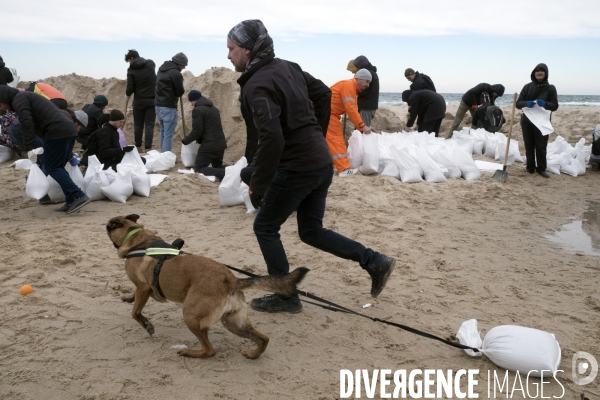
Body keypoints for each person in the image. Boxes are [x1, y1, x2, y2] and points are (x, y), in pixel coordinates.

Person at [227, 19, 396, 313]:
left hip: (298, 167)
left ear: (246, 49)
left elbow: (272, 138)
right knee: (310, 230)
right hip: (321, 160)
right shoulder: (288, 67)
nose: (228, 56)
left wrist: (258, 184)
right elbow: (321, 94)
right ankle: (375, 261)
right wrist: (315, 134)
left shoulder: (256, 84)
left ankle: (285, 296)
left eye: (231, 49)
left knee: (265, 226)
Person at [0, 86, 90, 213]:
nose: (2, 107)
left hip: (56, 131)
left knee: (52, 167)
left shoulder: (19, 99)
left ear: (4, 98)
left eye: (1, 103)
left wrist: (29, 148)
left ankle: (78, 195)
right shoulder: (25, 97)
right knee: (58, 166)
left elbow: (27, 122)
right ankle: (70, 201)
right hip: (67, 130)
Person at [240, 70, 331, 186]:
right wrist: (320, 133)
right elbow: (324, 93)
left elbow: (271, 139)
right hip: (322, 163)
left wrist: (257, 185)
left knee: (249, 173)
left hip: (295, 166)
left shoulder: (269, 107)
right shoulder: (291, 72)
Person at [516, 63, 559, 178]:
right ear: (534, 73)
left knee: (541, 145)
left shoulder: (550, 88)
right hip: (527, 121)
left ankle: (541, 169)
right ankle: (530, 167)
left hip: (542, 122)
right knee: (529, 145)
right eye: (537, 70)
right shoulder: (527, 87)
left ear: (545, 73)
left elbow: (555, 106)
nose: (539, 72)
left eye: (542, 71)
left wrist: (546, 104)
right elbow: (518, 103)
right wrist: (526, 103)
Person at [327, 69, 372, 177]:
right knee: (336, 140)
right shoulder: (349, 85)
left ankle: (332, 166)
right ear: (359, 79)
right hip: (328, 114)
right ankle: (343, 169)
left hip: (327, 113)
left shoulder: (351, 88)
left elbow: (352, 110)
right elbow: (351, 109)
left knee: (328, 142)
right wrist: (362, 127)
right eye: (367, 81)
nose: (368, 85)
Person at [181, 90, 227, 180]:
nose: (191, 105)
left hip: (209, 145)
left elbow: (197, 131)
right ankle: (234, 169)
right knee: (217, 166)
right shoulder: (215, 109)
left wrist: (186, 140)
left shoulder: (197, 110)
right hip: (220, 144)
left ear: (195, 100)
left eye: (191, 102)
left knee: (199, 168)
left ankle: (225, 173)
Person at [125, 49, 157, 150]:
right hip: (152, 100)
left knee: (138, 124)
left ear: (131, 58)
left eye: (129, 61)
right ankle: (148, 147)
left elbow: (130, 88)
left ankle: (138, 146)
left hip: (139, 101)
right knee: (149, 124)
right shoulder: (151, 64)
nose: (129, 63)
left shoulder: (131, 70)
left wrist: (127, 95)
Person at [155, 52, 187, 152]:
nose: (184, 68)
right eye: (183, 66)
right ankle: (165, 158)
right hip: (168, 107)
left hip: (158, 105)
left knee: (163, 133)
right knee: (168, 135)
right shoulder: (176, 73)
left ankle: (163, 156)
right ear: (179, 64)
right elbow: (179, 92)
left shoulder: (161, 70)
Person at [347, 56, 379, 127]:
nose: (357, 69)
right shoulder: (372, 73)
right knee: (361, 129)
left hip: (366, 107)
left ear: (362, 64)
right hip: (368, 106)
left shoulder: (368, 74)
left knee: (363, 130)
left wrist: (352, 93)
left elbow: (364, 91)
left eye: (358, 66)